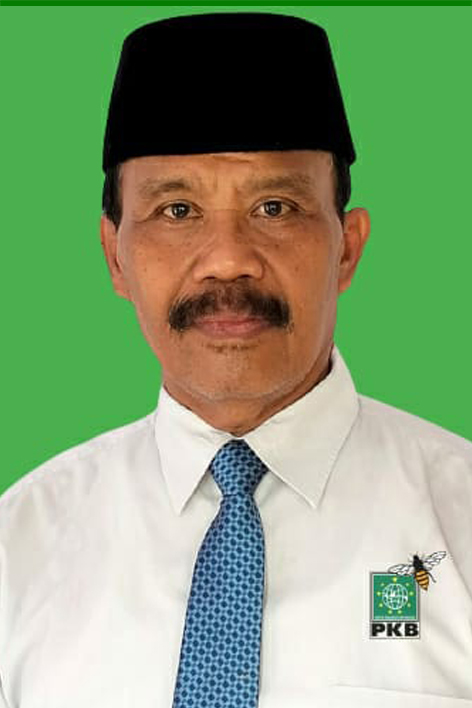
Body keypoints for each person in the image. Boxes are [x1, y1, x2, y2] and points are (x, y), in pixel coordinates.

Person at [0, 12, 471, 708]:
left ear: (347, 247)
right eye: (177, 211)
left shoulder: (460, 523)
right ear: (114, 257)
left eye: (274, 207)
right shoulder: (19, 551)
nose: (227, 259)